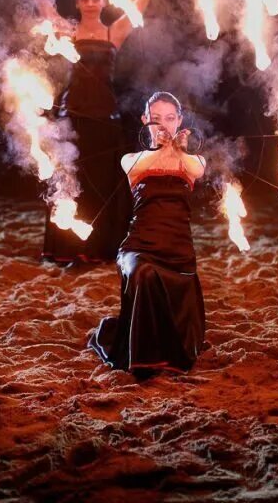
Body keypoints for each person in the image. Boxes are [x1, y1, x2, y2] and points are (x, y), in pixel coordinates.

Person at [13, 0, 169, 265]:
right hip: (74, 118)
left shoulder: (115, 33)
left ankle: (99, 248)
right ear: (79, 3)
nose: (91, 2)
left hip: (106, 119)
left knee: (103, 187)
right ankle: (68, 249)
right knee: (72, 184)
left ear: (102, 2)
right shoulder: (66, 32)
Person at [89, 91, 208, 378]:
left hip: (178, 253)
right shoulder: (133, 158)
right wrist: (165, 149)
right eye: (156, 119)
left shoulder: (194, 161)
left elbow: (197, 170)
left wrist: (178, 150)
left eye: (170, 119)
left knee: (155, 274)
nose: (163, 125)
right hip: (139, 247)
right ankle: (144, 360)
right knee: (144, 273)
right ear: (145, 121)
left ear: (180, 122)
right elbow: (139, 164)